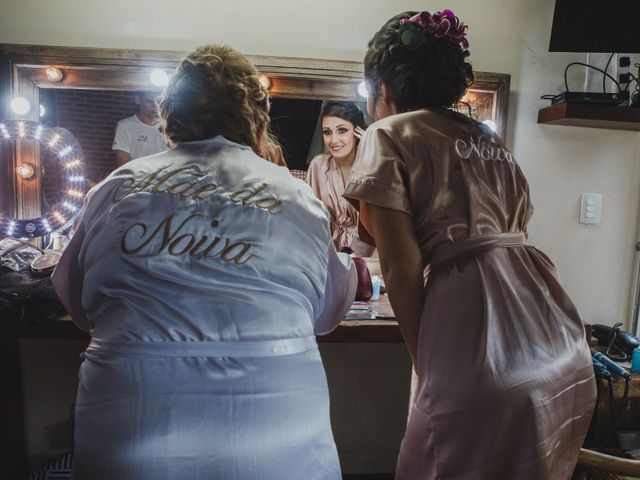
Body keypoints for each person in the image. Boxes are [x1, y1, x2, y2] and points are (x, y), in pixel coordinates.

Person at [52, 44, 357, 480]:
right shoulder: (295, 196)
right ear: (257, 120)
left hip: (131, 428)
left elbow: (76, 304)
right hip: (278, 442)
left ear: (168, 118)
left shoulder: (118, 187)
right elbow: (327, 314)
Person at [344, 10, 596, 479]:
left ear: (384, 89)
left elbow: (399, 269)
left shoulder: (388, 133)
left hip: (477, 346)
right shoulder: (491, 140)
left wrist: (428, 368)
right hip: (556, 337)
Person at [306, 101, 374, 256]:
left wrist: (372, 152)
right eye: (327, 132)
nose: (333, 140)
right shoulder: (318, 166)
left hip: (370, 256)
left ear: (357, 132)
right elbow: (310, 220)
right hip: (328, 253)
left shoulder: (373, 165)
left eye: (342, 130)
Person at [112, 91, 167, 167]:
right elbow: (122, 163)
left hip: (165, 176)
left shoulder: (169, 125)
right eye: (149, 101)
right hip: (138, 177)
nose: (155, 106)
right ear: (137, 100)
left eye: (158, 102)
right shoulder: (125, 125)